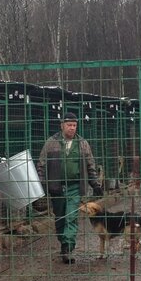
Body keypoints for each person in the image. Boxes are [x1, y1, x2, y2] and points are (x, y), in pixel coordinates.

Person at [37, 112, 103, 264]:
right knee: (60, 217)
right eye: (69, 125)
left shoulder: (82, 144)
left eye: (74, 125)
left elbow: (90, 165)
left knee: (71, 217)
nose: (72, 128)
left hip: (74, 186)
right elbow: (41, 164)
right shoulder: (51, 143)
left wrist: (96, 185)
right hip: (56, 186)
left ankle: (68, 247)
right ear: (62, 126)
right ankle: (63, 242)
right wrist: (41, 183)